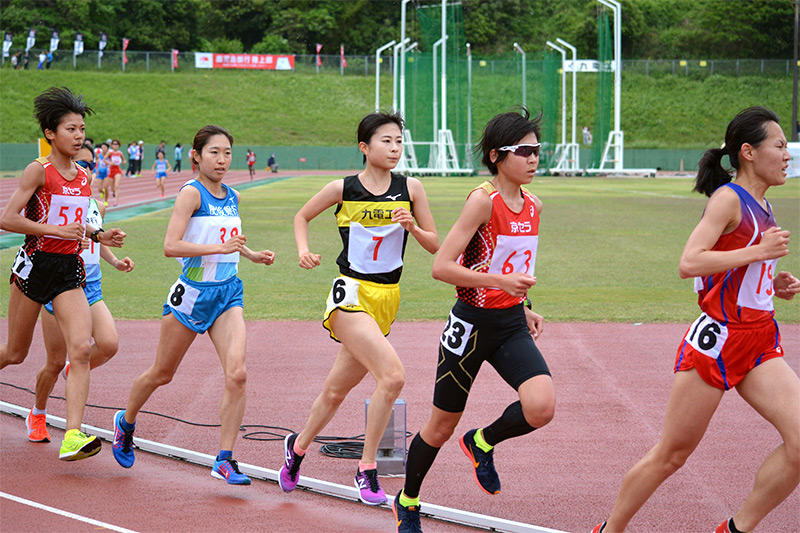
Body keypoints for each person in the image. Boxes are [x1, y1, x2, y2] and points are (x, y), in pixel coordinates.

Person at [592, 106, 799, 533]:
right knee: (673, 453)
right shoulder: (728, 198)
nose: (787, 155)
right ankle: (609, 530)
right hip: (719, 341)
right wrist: (760, 253)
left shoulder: (764, 202)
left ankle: (736, 529)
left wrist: (769, 282)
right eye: (779, 146)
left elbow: (731, 267)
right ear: (748, 152)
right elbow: (690, 262)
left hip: (760, 338)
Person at [391, 108, 555, 532]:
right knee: (441, 425)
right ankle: (408, 500)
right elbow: (442, 266)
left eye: (538, 150)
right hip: (470, 326)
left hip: (511, 323)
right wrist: (500, 279)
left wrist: (526, 304)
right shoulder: (483, 201)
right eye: (526, 151)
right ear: (498, 155)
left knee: (541, 407)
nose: (535, 158)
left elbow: (515, 265)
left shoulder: (535, 205)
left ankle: (482, 441)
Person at [278, 112, 439, 505]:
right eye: (386, 141)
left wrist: (413, 228)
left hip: (387, 298)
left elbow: (436, 245)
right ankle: (367, 470)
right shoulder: (342, 189)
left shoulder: (411, 189)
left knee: (334, 393)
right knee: (393, 377)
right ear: (365, 147)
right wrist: (303, 251)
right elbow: (302, 216)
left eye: (399, 141)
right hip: (349, 294)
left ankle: (296, 449)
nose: (395, 148)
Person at [111, 125, 275, 485]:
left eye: (227, 153)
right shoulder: (191, 194)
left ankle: (225, 459)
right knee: (162, 373)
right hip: (192, 295)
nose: (222, 160)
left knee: (238, 373)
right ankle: (125, 422)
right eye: (214, 152)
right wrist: (221, 249)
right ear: (197, 156)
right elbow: (171, 246)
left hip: (228, 293)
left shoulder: (232, 194)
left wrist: (251, 254)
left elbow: (226, 238)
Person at [0, 87, 126, 460]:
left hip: (69, 271)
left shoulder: (84, 176)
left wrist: (100, 235)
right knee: (16, 352)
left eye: (81, 128)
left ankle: (72, 434)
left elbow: (78, 223)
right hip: (35, 268)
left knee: (81, 352)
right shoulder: (39, 171)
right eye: (70, 129)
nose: (78, 135)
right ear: (50, 134)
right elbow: (7, 219)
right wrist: (55, 230)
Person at [27, 143, 135, 443]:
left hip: (92, 285)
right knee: (52, 362)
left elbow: (94, 243)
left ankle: (75, 369)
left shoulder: (97, 205)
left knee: (109, 343)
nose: (86, 169)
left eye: (91, 164)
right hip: (60, 285)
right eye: (81, 163)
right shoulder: (60, 197)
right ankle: (37, 413)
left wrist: (115, 262)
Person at [106, 139, 125, 206]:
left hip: (117, 170)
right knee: (112, 187)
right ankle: (114, 191)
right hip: (111, 170)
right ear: (111, 145)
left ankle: (116, 202)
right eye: (114, 144)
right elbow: (104, 160)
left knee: (117, 185)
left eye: (116, 144)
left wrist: (123, 162)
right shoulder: (110, 153)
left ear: (118, 145)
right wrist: (110, 163)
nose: (115, 145)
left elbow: (124, 160)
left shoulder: (120, 153)